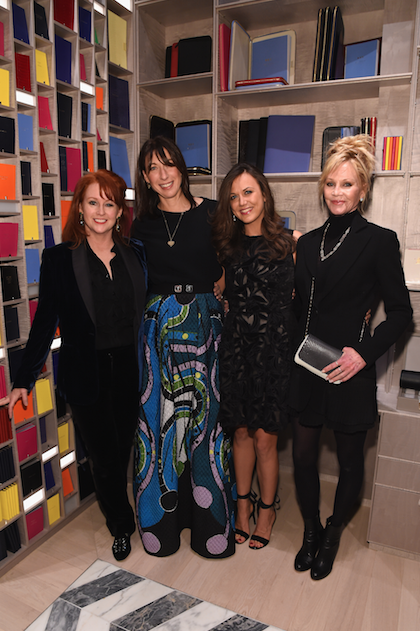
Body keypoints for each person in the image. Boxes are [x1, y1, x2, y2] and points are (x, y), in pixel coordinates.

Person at [290, 135, 412, 579]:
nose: (337, 192)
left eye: (347, 184)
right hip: (308, 365)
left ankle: (333, 532)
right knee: (303, 457)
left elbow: (401, 314)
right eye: (330, 184)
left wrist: (363, 355)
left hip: (348, 368)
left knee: (348, 462)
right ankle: (310, 529)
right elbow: (300, 308)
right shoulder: (307, 243)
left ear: (363, 189)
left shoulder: (379, 241)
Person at [8, 170, 146, 561]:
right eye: (93, 202)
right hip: (86, 373)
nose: (101, 211)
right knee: (104, 457)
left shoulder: (136, 253)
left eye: (109, 203)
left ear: (119, 211)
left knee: (123, 449)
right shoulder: (58, 259)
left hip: (131, 370)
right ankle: (121, 524)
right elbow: (44, 322)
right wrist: (23, 378)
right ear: (80, 209)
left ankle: (125, 509)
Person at [131, 136, 235, 558]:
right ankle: (163, 529)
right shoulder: (140, 224)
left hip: (207, 330)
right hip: (158, 334)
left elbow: (234, 259)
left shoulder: (213, 212)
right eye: (153, 168)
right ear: (145, 178)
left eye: (169, 164)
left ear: (182, 168)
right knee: (161, 426)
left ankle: (211, 530)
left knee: (207, 426)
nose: (163, 174)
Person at [212, 162, 300, 549]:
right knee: (241, 433)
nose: (242, 201)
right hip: (237, 351)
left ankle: (267, 511)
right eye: (234, 196)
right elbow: (219, 292)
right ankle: (242, 507)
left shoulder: (292, 243)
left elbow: (318, 296)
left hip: (275, 355)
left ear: (264, 194)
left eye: (248, 192)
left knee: (266, 439)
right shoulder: (225, 249)